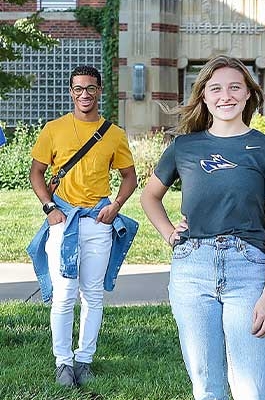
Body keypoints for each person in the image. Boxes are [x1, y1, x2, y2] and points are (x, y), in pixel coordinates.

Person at [140, 55, 265, 400]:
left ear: (248, 94)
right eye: (216, 88)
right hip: (192, 270)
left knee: (253, 389)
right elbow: (149, 196)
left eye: (235, 87)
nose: (226, 95)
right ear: (204, 97)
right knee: (207, 388)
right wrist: (169, 233)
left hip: (248, 270)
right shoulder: (185, 146)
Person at [27, 66, 138, 387]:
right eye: (78, 89)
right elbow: (36, 173)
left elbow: (129, 177)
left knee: (92, 295)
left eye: (90, 88)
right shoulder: (54, 129)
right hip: (63, 221)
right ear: (70, 92)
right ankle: (63, 363)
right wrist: (49, 208)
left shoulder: (114, 134)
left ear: (99, 91)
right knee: (64, 296)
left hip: (98, 222)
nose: (84, 94)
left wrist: (115, 207)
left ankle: (84, 360)